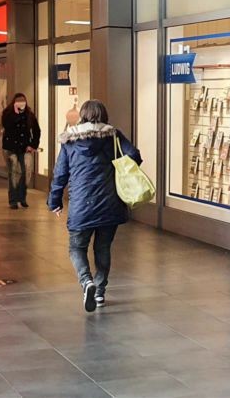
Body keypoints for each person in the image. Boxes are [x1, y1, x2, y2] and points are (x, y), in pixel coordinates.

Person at [48, 99, 141, 312]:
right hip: (110, 202)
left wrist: (54, 201)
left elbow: (60, 174)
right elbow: (134, 154)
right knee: (103, 247)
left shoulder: (70, 141)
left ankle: (86, 281)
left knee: (77, 247)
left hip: (81, 204)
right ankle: (99, 292)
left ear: (82, 115)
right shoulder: (113, 136)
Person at [1, 92, 41, 209]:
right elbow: (7, 126)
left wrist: (33, 145)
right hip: (10, 148)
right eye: (18, 101)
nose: (21, 103)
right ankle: (13, 200)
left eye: (23, 101)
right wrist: (16, 114)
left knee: (26, 172)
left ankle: (22, 197)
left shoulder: (30, 115)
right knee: (13, 172)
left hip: (25, 148)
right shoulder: (8, 114)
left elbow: (37, 131)